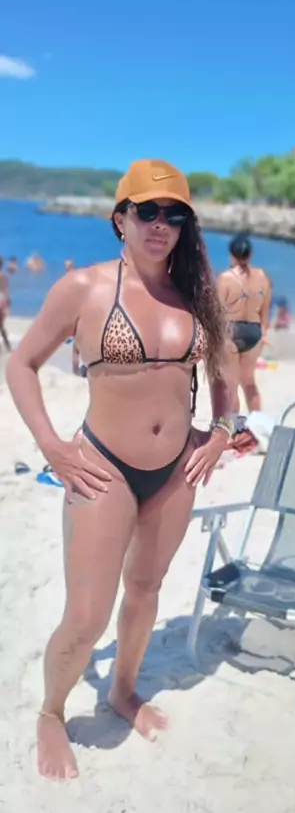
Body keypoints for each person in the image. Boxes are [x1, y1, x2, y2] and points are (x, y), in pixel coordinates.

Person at [6, 159, 234, 781]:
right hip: (101, 469)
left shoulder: (197, 295)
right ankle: (52, 712)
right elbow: (21, 363)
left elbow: (225, 374)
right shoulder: (83, 288)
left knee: (145, 591)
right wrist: (51, 445)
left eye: (175, 215)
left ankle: (123, 690)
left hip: (176, 471)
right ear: (120, 219)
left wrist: (220, 433)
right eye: (147, 211)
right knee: (86, 617)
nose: (161, 224)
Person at [217, 234, 271, 413]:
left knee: (230, 384)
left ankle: (235, 426)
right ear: (251, 254)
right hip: (254, 331)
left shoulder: (225, 278)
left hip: (230, 331)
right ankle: (256, 422)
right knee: (249, 382)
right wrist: (264, 332)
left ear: (231, 255)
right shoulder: (262, 276)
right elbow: (265, 308)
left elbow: (216, 312)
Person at [0, 256, 12, 352]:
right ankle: (7, 345)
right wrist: (8, 303)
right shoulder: (3, 275)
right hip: (2, 301)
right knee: (1, 325)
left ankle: (6, 345)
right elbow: (6, 290)